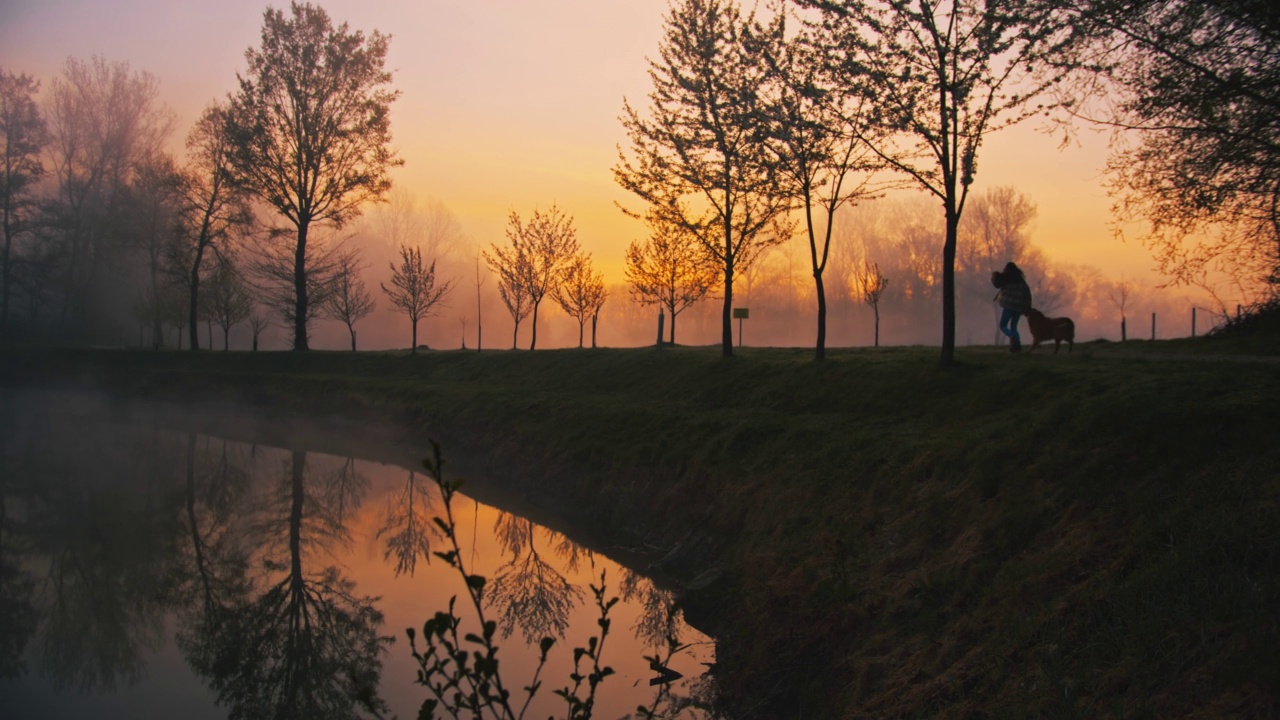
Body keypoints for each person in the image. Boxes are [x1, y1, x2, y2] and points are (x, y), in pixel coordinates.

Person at [991, 261, 1032, 352]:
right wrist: (1028, 308)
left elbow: (996, 284)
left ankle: (1012, 338)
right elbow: (1027, 294)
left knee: (1003, 326)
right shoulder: (1021, 281)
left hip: (1008, 306)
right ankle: (1016, 346)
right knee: (1014, 326)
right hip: (1019, 308)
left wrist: (995, 276)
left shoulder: (1005, 279)